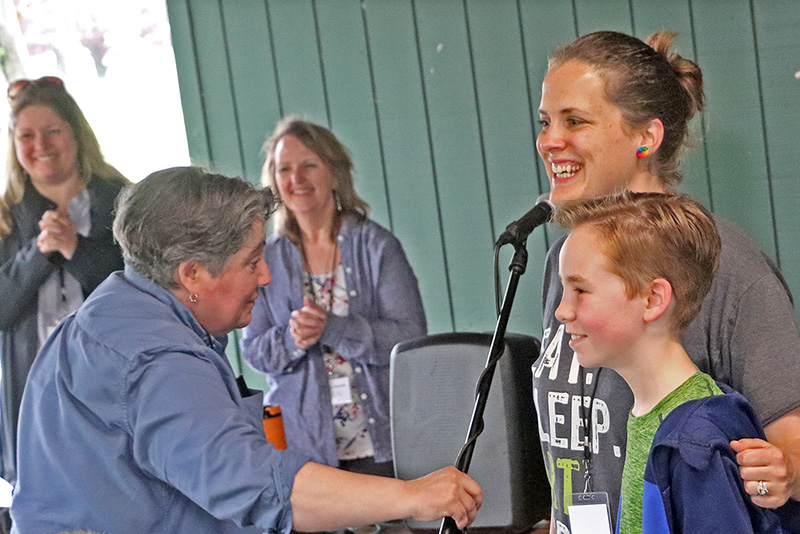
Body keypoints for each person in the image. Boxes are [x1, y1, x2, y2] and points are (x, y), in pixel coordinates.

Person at [10, 167, 481, 533]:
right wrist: (411, 496)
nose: (265, 277)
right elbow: (257, 485)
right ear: (192, 274)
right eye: (252, 262)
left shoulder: (101, 318)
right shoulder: (155, 361)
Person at [531, 30, 800, 533]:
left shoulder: (726, 263)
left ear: (646, 138)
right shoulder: (563, 261)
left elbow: (790, 437)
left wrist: (777, 473)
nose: (550, 140)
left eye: (575, 121)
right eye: (545, 122)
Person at [554, 191, 789, 533]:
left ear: (653, 299)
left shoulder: (696, 442)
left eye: (581, 291)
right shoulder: (648, 415)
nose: (562, 311)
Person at [241, 118, 427, 477]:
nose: (296, 179)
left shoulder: (377, 246)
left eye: (309, 165)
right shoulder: (267, 258)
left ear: (334, 172)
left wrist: (335, 329)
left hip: (385, 443)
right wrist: (293, 337)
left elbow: (410, 338)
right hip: (304, 448)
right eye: (284, 169)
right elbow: (254, 351)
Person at [0, 76, 128, 486]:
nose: (41, 145)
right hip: (35, 401)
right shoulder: (3, 215)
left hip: (113, 388)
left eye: (53, 131)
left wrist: (78, 248)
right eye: (27, 135)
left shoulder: (124, 198)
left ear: (76, 133)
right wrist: (40, 253)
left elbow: (150, 289)